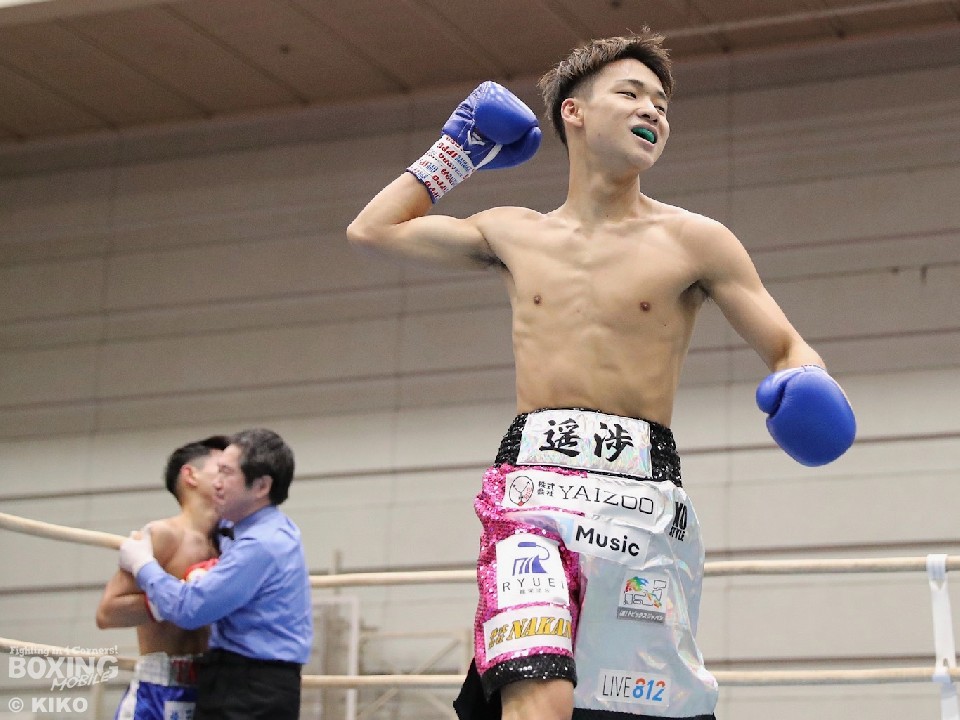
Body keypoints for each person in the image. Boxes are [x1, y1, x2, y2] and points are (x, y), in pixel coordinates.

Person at [347, 29, 855, 720]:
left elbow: (788, 345)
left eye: (662, 104)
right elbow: (373, 230)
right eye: (631, 94)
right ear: (574, 112)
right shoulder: (513, 231)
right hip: (532, 494)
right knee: (539, 694)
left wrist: (806, 382)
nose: (653, 111)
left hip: (640, 499)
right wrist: (458, 150)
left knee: (631, 709)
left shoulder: (696, 241)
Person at [117, 428, 313, 720]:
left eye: (227, 473)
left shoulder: (261, 544)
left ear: (261, 486)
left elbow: (190, 609)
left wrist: (143, 564)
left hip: (251, 690)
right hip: (240, 679)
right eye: (216, 471)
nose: (216, 483)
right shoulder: (250, 528)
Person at [96, 435, 229, 720]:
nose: (229, 478)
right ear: (190, 476)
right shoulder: (163, 535)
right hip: (157, 691)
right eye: (221, 469)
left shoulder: (230, 545)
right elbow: (107, 613)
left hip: (211, 689)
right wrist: (176, 598)